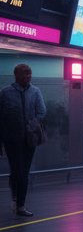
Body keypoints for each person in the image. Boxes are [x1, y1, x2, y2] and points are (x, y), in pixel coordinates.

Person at [0, 63, 46, 217]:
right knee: (17, 171)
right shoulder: (5, 93)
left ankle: (20, 205)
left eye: (29, 73)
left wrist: (31, 124)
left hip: (29, 138)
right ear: (16, 75)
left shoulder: (35, 91)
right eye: (25, 74)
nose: (28, 76)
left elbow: (42, 111)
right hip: (11, 139)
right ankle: (16, 199)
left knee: (23, 172)